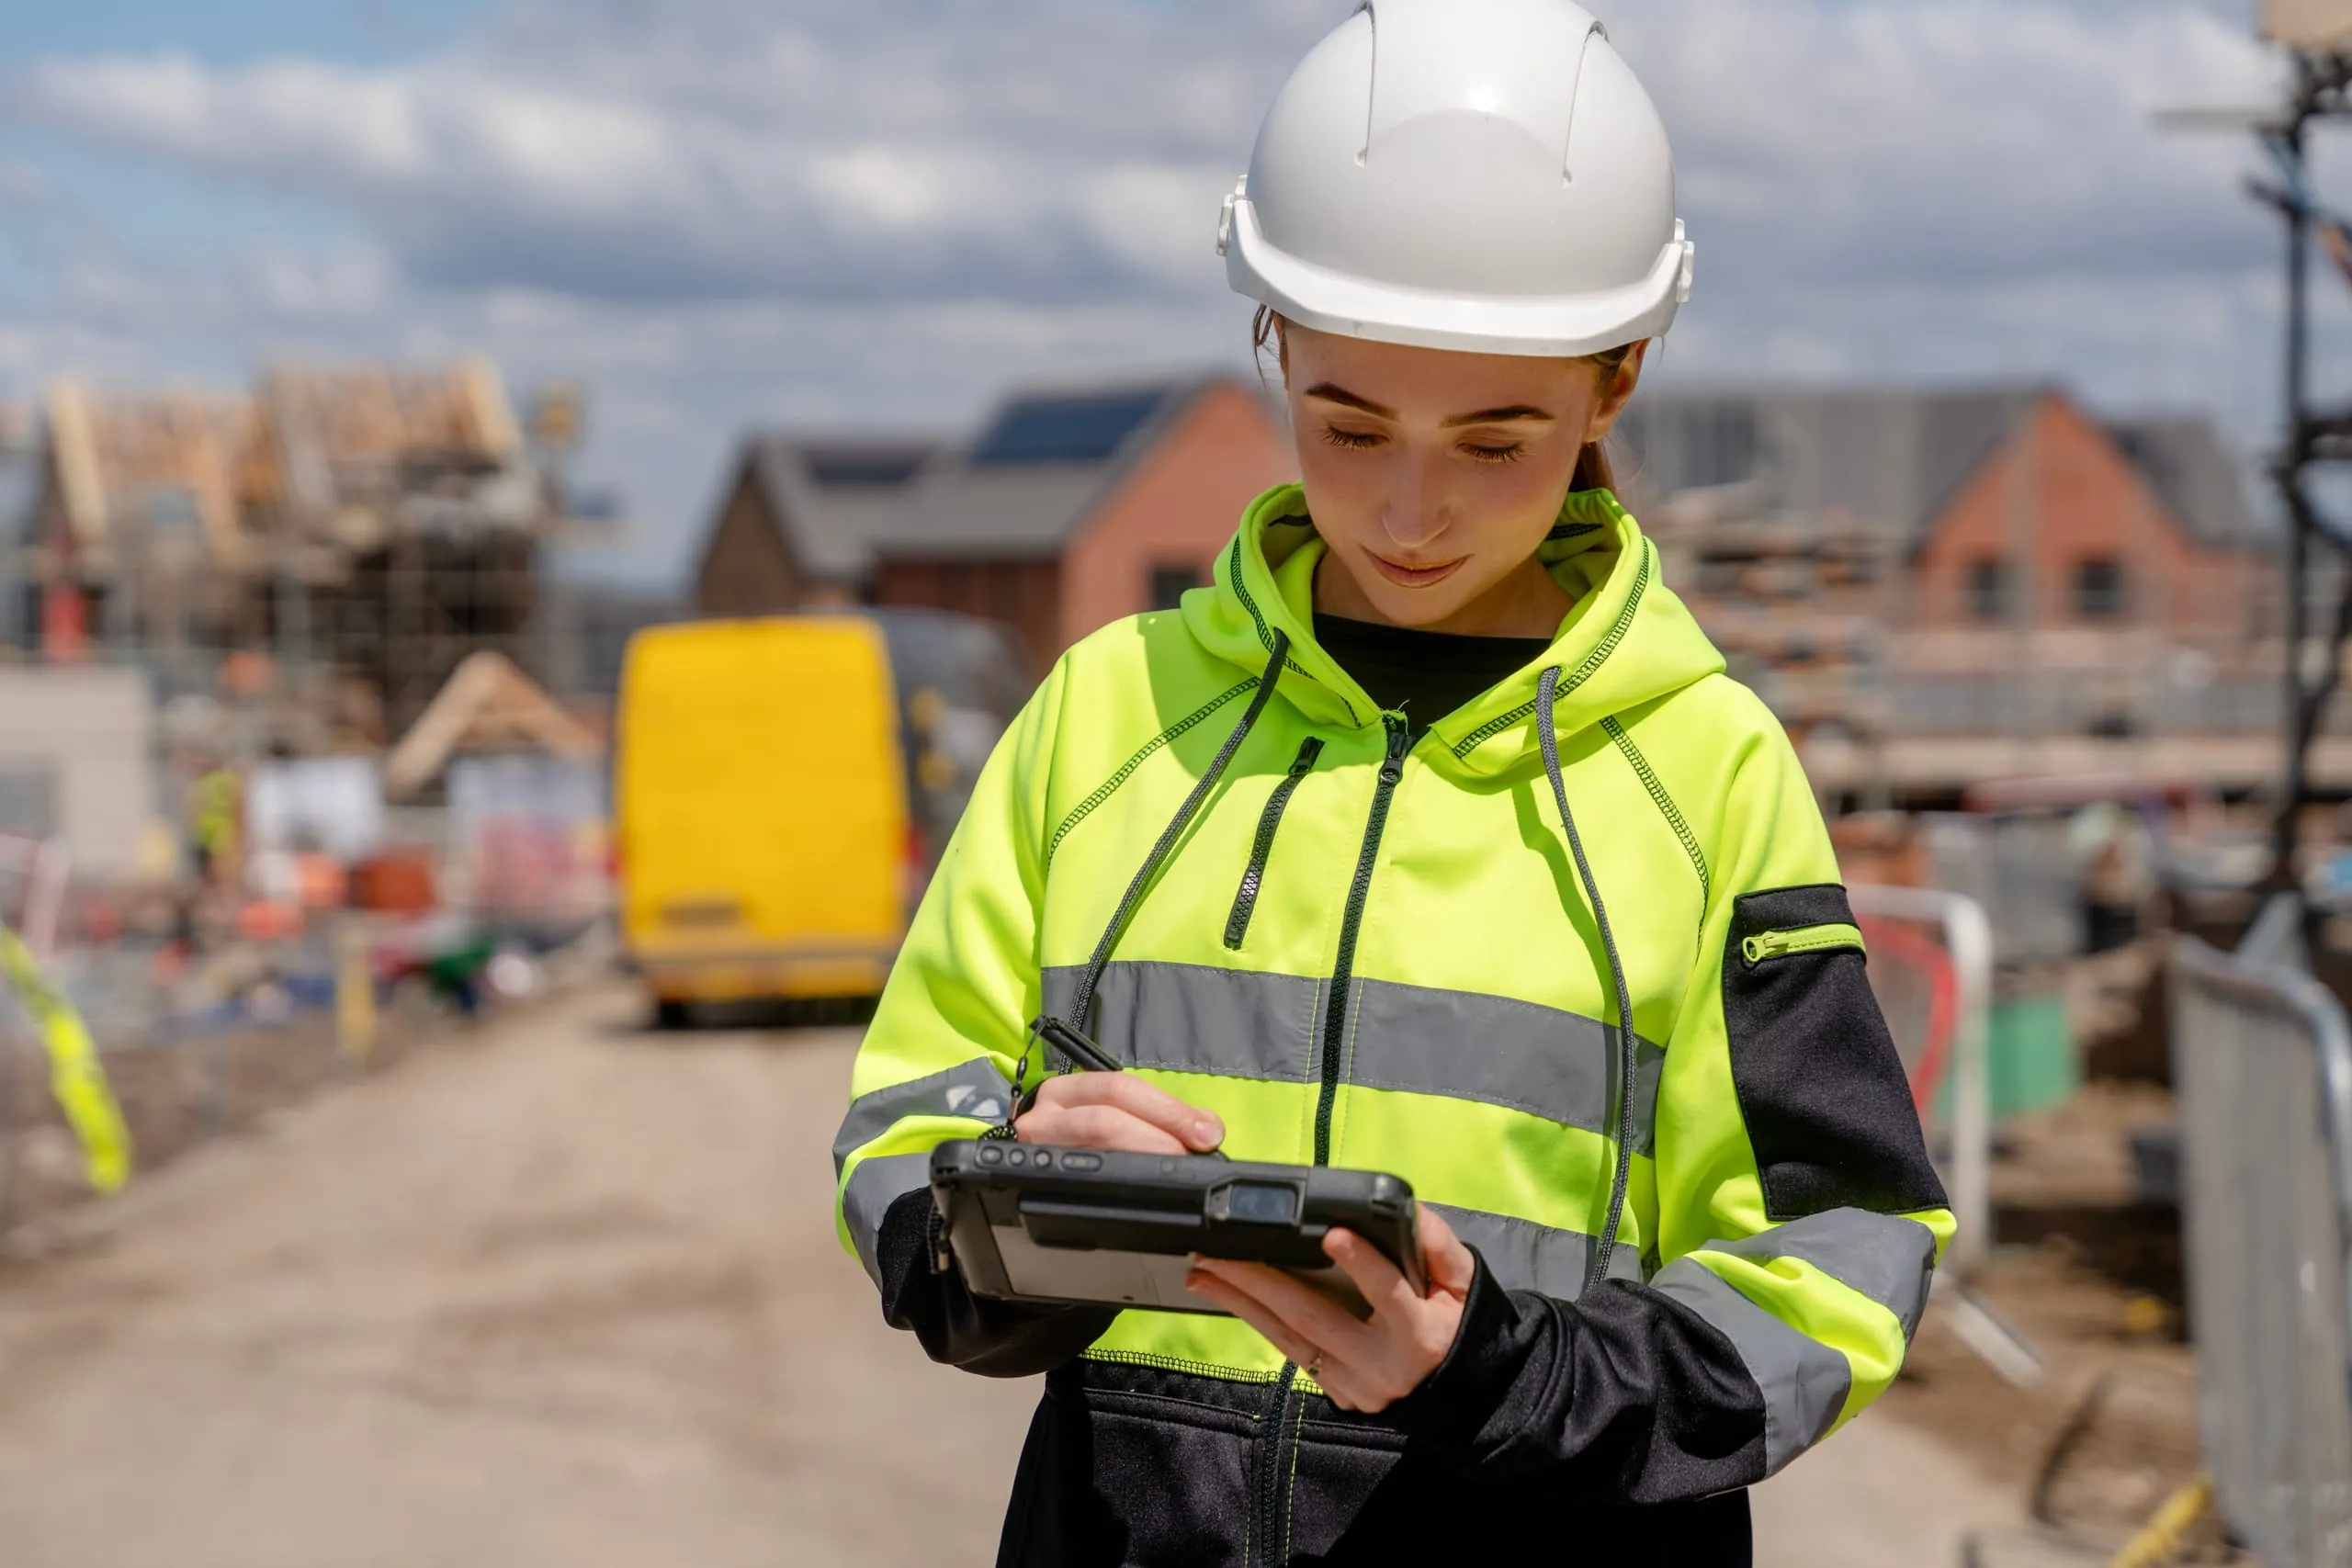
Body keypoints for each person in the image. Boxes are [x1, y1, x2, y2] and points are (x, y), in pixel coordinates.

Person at [833, 4, 1951, 1562]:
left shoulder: (1709, 772)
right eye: (1347, 423)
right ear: (1271, 337)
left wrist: (1511, 1375)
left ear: (1615, 380)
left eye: (1497, 443)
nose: (1410, 509)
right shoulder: (1104, 715)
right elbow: (903, 1121)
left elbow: (1838, 1254)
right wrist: (1018, 1203)